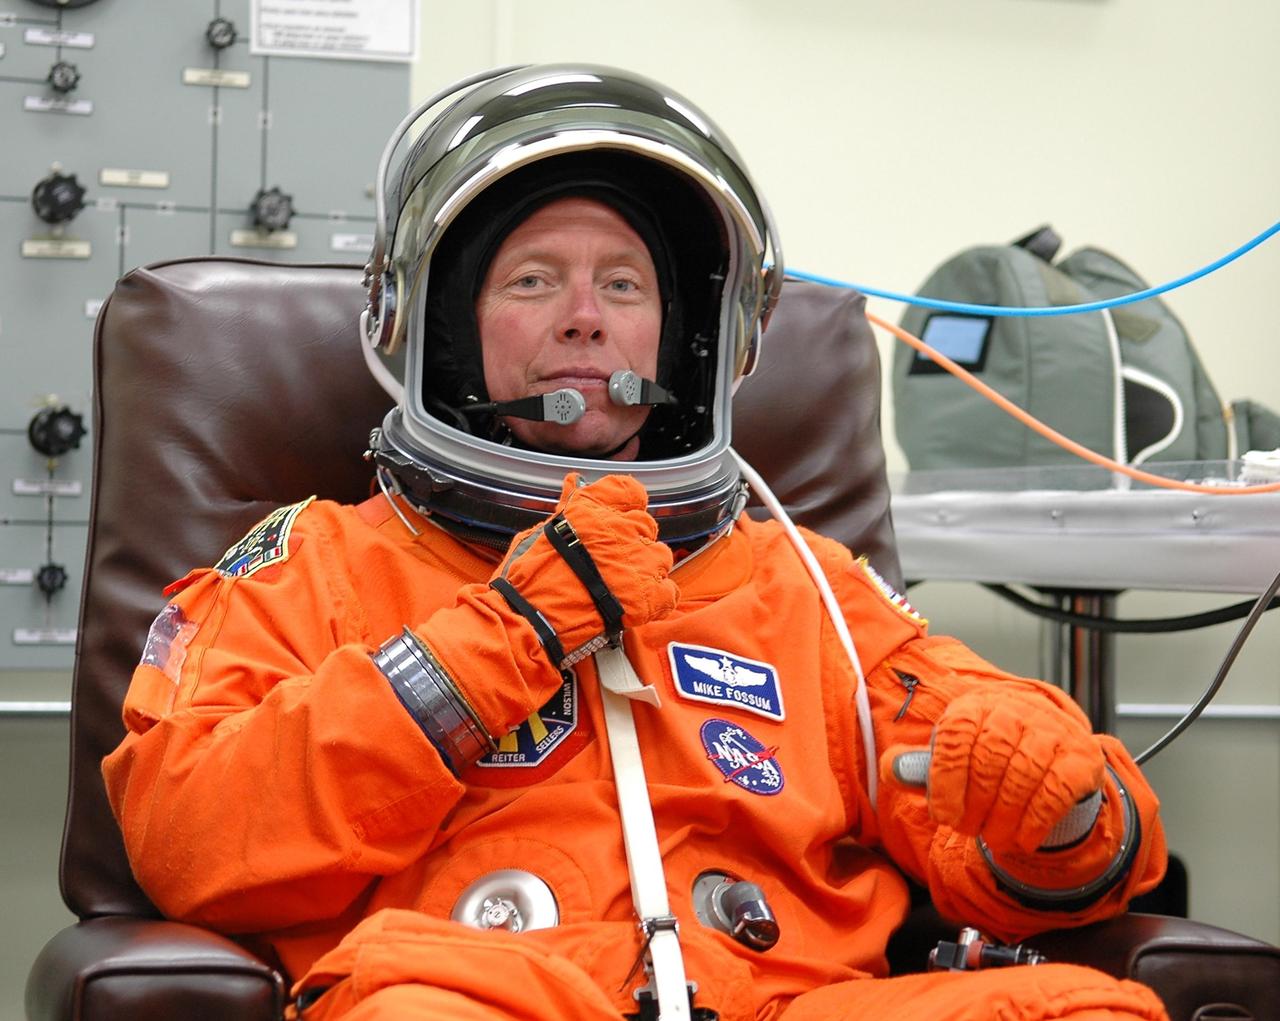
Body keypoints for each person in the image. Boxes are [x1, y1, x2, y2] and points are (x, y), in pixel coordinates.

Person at [103, 65, 1170, 1021]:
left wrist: (1060, 807)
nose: (584, 317)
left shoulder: (800, 584)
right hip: (475, 991)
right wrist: (499, 638)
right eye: (530, 281)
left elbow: (1038, 844)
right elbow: (190, 838)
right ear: (437, 323)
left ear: (687, 334)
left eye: (623, 284)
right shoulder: (318, 562)